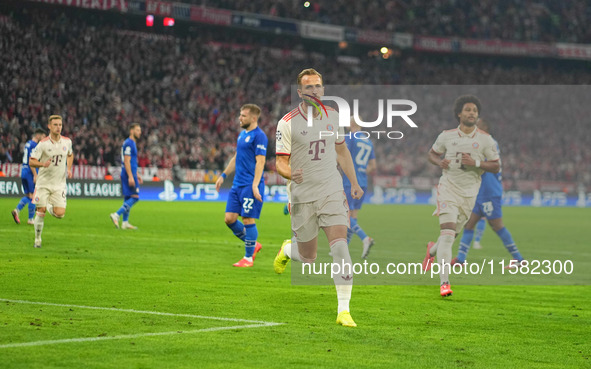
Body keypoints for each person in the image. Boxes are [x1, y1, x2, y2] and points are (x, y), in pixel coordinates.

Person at [272, 68, 363, 327]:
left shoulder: (334, 115)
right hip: (302, 196)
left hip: (331, 190)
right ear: (300, 93)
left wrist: (353, 182)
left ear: (323, 90)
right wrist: (292, 174)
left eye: (318, 86)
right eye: (309, 87)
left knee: (340, 247)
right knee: (308, 257)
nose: (314, 91)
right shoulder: (287, 123)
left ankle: (343, 311)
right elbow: (279, 162)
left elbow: (342, 151)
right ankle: (288, 250)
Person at [422, 95, 500, 297]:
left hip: (470, 194)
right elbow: (431, 154)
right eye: (467, 109)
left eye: (474, 110)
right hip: (448, 188)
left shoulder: (485, 139)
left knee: (450, 236)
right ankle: (444, 283)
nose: (471, 112)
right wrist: (439, 163)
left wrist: (475, 163)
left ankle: (431, 251)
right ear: (459, 113)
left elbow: (496, 165)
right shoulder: (446, 136)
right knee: (447, 236)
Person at [452, 118, 524, 267]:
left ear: (484, 128)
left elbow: (485, 166)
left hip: (489, 191)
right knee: (469, 224)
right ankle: (460, 259)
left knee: (497, 225)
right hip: (481, 192)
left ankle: (518, 259)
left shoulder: (488, 143)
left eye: (476, 125)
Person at [215, 104, 267, 267]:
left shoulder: (259, 136)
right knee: (229, 219)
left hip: (249, 185)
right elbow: (236, 157)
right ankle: (253, 244)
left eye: (243, 115)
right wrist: (223, 175)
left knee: (247, 218)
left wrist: (255, 185)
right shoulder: (242, 135)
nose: (240, 118)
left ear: (253, 118)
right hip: (237, 184)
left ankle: (248, 258)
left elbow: (261, 161)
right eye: (240, 114)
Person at [29, 115, 73, 248]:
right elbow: (31, 161)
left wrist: (69, 169)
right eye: (55, 125)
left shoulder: (67, 142)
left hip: (59, 184)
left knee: (60, 214)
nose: (58, 127)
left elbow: (70, 155)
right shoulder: (43, 144)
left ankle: (48, 204)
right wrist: (42, 164)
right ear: (49, 126)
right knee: (40, 211)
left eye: (60, 124)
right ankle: (37, 239)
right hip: (43, 183)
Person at [343, 117, 376, 258]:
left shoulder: (349, 138)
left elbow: (343, 156)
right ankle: (344, 249)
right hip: (363, 182)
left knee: (345, 215)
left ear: (351, 124)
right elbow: (373, 166)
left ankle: (365, 238)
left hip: (350, 181)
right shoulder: (368, 141)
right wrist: (362, 171)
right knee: (353, 216)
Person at [110, 123, 143, 230]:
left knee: (128, 197)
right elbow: (127, 161)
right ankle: (116, 214)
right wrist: (131, 176)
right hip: (128, 173)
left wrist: (137, 174)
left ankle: (125, 223)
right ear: (131, 131)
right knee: (135, 197)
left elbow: (132, 162)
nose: (140, 132)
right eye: (137, 130)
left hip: (131, 173)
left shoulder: (131, 143)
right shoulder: (129, 143)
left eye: (140, 130)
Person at [11, 129, 47, 225]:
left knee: (29, 195)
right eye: (43, 136)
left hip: (24, 170)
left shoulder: (28, 143)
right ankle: (30, 219)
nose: (43, 139)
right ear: (38, 135)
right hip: (30, 172)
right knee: (33, 196)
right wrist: (35, 174)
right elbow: (32, 161)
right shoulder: (34, 145)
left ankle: (17, 210)